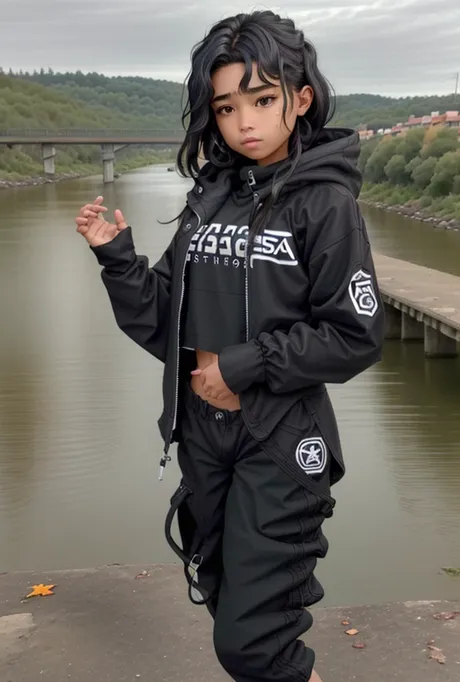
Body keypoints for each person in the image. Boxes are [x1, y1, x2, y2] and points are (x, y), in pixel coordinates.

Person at [75, 10, 384, 682]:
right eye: (226, 107)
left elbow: (354, 335)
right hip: (202, 438)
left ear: (299, 99)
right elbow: (165, 325)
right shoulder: (209, 201)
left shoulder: (325, 205)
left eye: (263, 99)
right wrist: (117, 259)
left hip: (279, 440)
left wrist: (243, 368)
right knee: (227, 603)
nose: (245, 122)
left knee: (249, 641)